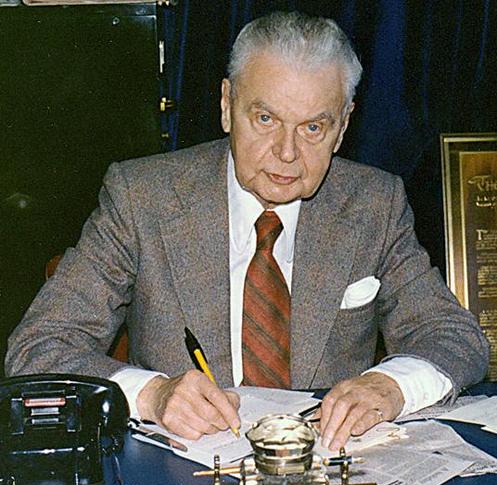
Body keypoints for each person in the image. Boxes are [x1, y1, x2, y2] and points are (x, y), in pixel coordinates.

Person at [5, 11, 489, 452]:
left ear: (342, 128)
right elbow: (38, 347)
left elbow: (453, 336)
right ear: (226, 106)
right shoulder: (142, 197)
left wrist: (391, 386)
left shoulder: (373, 204)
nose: (286, 153)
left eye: (313, 128)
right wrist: (153, 394)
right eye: (264, 118)